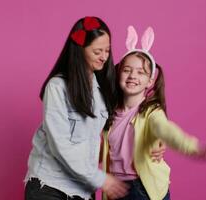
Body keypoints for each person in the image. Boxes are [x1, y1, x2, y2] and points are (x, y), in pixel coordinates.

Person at [101, 26, 206, 200]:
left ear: (150, 81)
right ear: (118, 74)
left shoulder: (151, 113)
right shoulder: (108, 112)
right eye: (127, 70)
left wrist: (198, 149)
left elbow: (167, 131)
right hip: (114, 187)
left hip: (143, 189)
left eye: (141, 72)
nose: (133, 75)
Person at [24, 16, 129, 200]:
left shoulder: (103, 87)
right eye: (97, 51)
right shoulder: (57, 87)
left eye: (107, 50)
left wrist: (153, 141)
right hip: (50, 185)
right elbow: (61, 145)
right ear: (80, 50)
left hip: (83, 189)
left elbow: (125, 115)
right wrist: (101, 178)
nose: (104, 57)